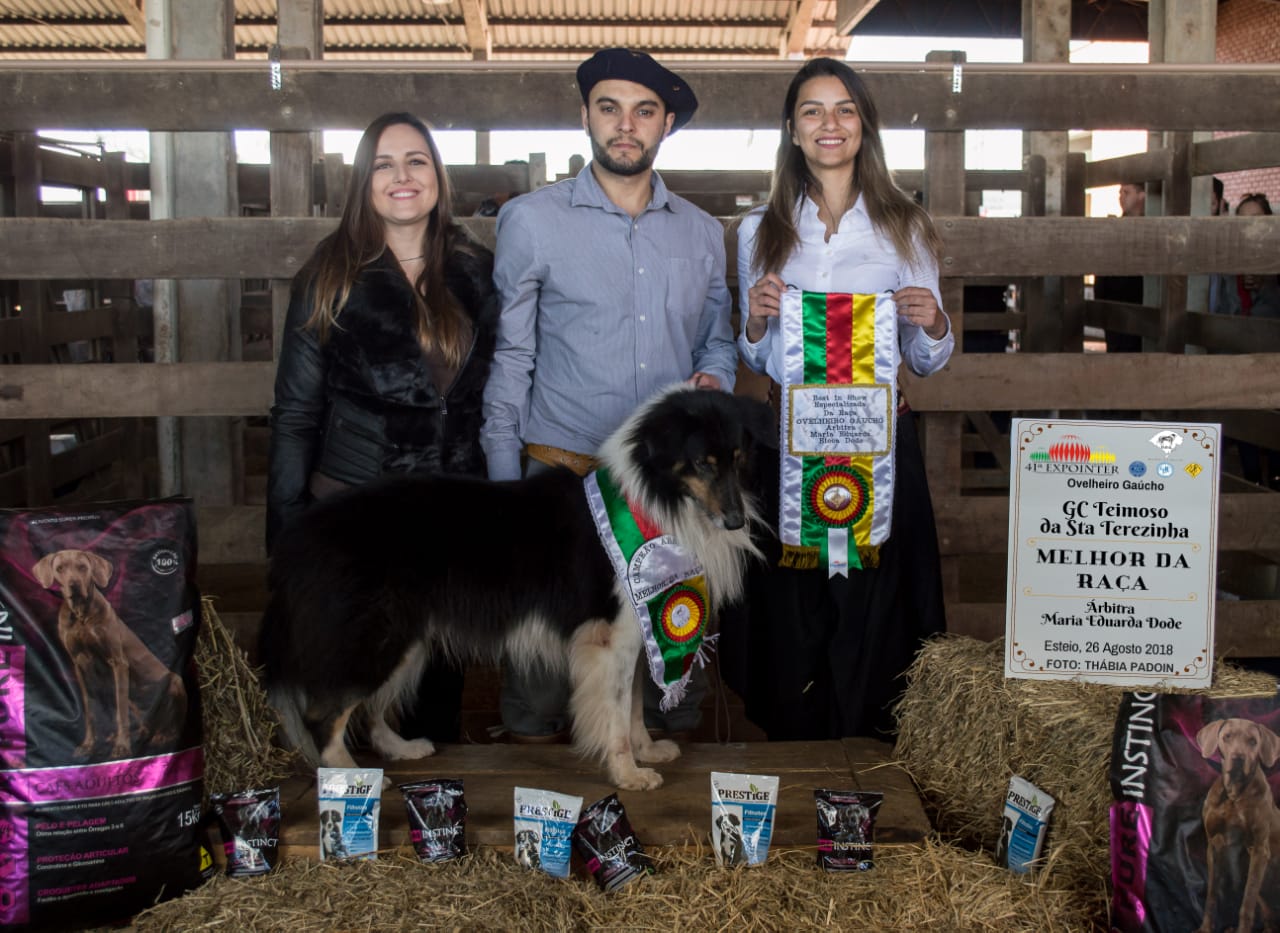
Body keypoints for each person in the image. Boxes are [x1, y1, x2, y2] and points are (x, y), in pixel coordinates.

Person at [481, 47, 738, 742]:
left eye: (644, 111)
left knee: (667, 686)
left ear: (667, 122)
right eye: (610, 107)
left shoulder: (703, 232)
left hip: (664, 495)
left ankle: (663, 834)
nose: (626, 125)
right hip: (559, 482)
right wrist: (505, 486)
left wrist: (718, 378)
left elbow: (718, 338)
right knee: (539, 686)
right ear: (586, 115)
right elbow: (512, 358)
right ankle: (532, 834)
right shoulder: (532, 222)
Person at [724, 57, 953, 740]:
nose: (831, 124)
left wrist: (933, 321)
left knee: (874, 607)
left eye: (845, 109)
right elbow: (757, 356)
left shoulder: (905, 227)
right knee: (793, 611)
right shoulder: (757, 231)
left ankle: (869, 750)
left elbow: (926, 360)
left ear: (864, 126)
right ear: (792, 130)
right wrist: (759, 320)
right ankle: (798, 747)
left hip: (880, 446)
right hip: (790, 443)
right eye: (814, 111)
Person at [267, 111, 499, 744]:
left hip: (449, 516)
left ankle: (431, 829)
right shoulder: (330, 277)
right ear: (363, 183)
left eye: (417, 161)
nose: (403, 176)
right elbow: (295, 413)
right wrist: (286, 526)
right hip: (359, 515)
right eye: (384, 164)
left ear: (437, 177)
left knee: (433, 705)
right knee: (350, 683)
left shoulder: (477, 271)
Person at [1210, 193, 1280, 318]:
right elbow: (1222, 310)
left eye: (1256, 219)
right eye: (1243, 220)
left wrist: (1264, 287)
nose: (1249, 225)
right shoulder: (1228, 263)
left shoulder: (1276, 258)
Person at [1096, 181, 1146, 353]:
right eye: (1120, 192)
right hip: (1114, 308)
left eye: (1127, 192)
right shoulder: (1113, 228)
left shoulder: (1151, 228)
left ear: (1142, 195)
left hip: (1139, 308)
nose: (1121, 197)